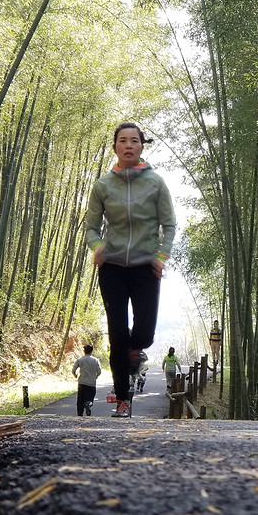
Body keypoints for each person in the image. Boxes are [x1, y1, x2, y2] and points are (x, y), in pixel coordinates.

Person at [85, 122, 176, 418]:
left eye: (134, 141)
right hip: (111, 267)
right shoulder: (102, 186)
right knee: (117, 333)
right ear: (115, 147)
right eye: (122, 140)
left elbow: (169, 224)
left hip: (146, 266)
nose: (128, 145)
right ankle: (123, 398)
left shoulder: (155, 183)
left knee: (144, 333)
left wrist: (161, 255)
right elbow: (91, 227)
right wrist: (97, 246)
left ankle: (137, 352)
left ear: (141, 146)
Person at [72, 344, 102, 417]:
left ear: (84, 351)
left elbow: (73, 370)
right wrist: (96, 376)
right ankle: (89, 404)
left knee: (80, 400)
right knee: (90, 398)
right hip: (91, 383)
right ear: (91, 351)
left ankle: (80, 414)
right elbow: (99, 371)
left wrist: (75, 375)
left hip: (82, 382)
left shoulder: (80, 360)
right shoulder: (95, 360)